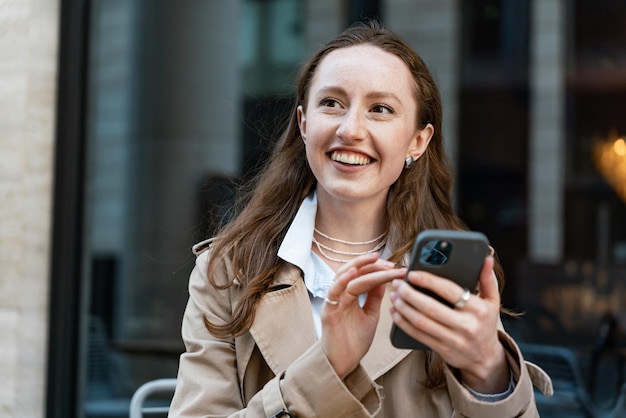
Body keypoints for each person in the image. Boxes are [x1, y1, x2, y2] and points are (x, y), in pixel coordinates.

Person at [169, 20, 552, 417]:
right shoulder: (228, 269)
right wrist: (325, 370)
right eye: (331, 103)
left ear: (418, 141)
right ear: (303, 123)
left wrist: (487, 372)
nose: (351, 129)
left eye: (380, 109)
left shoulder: (452, 269)